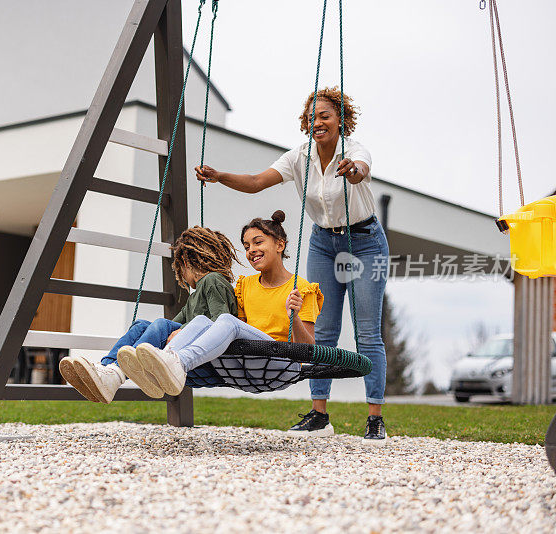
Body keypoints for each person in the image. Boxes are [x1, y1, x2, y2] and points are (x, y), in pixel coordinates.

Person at [194, 87, 389, 446]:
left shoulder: (354, 151)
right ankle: (319, 415)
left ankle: (374, 418)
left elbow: (361, 171)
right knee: (322, 328)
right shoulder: (299, 157)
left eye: (326, 116)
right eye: (312, 117)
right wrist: (219, 175)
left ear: (341, 120)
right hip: (323, 243)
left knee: (367, 331)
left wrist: (352, 170)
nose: (318, 122)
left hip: (365, 243)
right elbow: (256, 183)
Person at [119, 211, 323, 397]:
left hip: (281, 364)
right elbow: (239, 331)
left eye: (258, 242)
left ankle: (177, 362)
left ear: (280, 245)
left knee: (225, 320)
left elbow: (307, 350)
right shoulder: (246, 286)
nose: (251, 250)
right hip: (246, 363)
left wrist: (293, 316)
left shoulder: (301, 288)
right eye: (246, 246)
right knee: (202, 320)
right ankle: (163, 363)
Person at [59, 226, 238, 404]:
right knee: (141, 325)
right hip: (186, 346)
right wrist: (172, 332)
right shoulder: (194, 297)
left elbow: (222, 323)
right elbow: (169, 329)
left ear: (185, 261)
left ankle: (115, 374)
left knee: (160, 324)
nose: (181, 275)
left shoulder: (213, 281)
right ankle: (106, 369)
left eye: (179, 268)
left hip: (206, 351)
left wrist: (180, 331)